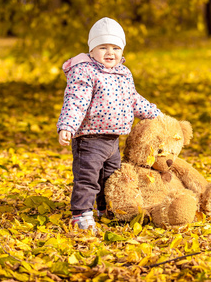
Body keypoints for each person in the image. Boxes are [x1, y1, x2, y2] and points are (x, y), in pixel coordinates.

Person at [57, 17, 161, 231]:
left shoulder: (123, 73)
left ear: (122, 51)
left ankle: (106, 208)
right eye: (102, 47)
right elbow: (76, 100)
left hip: (113, 140)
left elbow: (133, 99)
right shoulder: (86, 71)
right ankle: (81, 213)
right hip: (89, 139)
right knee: (88, 177)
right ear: (91, 50)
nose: (110, 52)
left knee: (112, 178)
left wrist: (155, 114)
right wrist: (67, 126)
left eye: (115, 47)